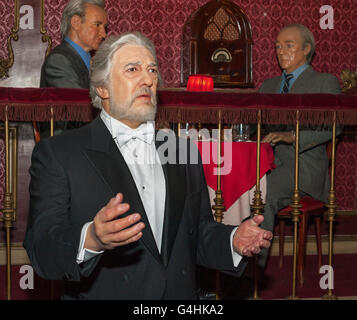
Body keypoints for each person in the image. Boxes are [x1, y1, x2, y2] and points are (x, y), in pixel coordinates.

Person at [24, 32, 273, 300]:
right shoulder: (59, 153)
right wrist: (92, 239)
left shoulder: (181, 150)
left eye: (152, 69)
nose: (148, 79)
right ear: (102, 88)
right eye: (133, 69)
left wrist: (232, 241)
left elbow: (196, 233)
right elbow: (42, 248)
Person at [257, 24, 341, 270]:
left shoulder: (325, 82)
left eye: (289, 45)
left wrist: (291, 136)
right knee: (231, 184)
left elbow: (333, 127)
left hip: (302, 167)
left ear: (306, 49)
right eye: (278, 46)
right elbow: (253, 125)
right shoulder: (269, 85)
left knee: (263, 193)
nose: (281, 51)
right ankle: (230, 261)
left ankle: (252, 273)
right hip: (267, 163)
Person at [38, 0, 108, 136]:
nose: (104, 34)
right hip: (66, 145)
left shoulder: (93, 62)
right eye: (97, 25)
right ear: (76, 22)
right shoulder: (59, 60)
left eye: (104, 27)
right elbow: (80, 111)